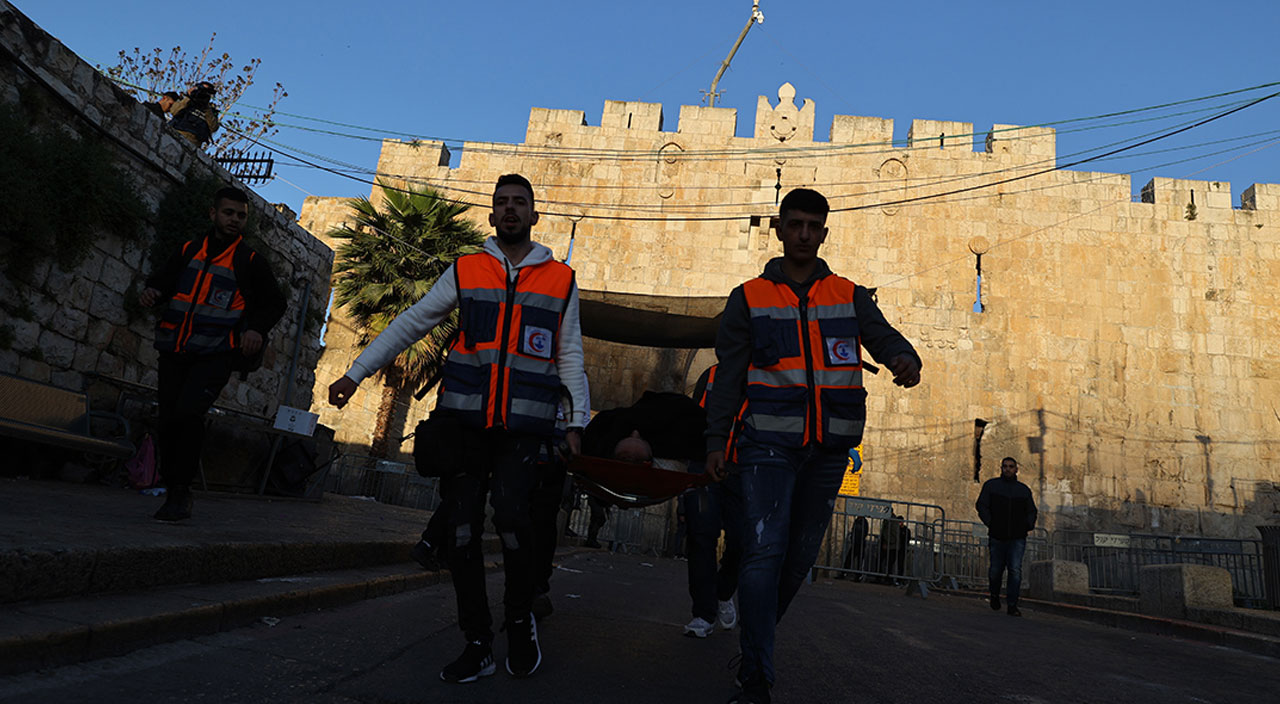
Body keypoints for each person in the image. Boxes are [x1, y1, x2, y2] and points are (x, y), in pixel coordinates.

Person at [328, 174, 589, 683]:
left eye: (520, 202)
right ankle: (477, 641)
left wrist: (576, 420)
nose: (510, 210)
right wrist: (354, 372)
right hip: (465, 423)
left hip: (524, 428)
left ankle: (519, 620)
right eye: (502, 203)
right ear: (491, 216)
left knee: (514, 519)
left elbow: (571, 353)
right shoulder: (467, 270)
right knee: (462, 532)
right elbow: (413, 321)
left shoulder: (561, 279)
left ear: (534, 216)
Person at [703, 187, 921, 704]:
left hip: (829, 450)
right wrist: (716, 440)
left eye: (812, 226)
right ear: (778, 229)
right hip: (767, 448)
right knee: (764, 553)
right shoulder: (749, 297)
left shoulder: (848, 295)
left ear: (824, 233)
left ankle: (757, 637)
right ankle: (757, 674)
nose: (803, 234)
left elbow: (883, 337)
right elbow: (729, 375)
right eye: (794, 224)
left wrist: (903, 357)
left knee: (798, 562)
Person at [138, 186, 286, 521]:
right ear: (213, 214)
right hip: (174, 349)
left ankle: (180, 493)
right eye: (229, 213)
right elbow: (163, 279)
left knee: (189, 415)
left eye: (241, 215)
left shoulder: (249, 261)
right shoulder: (189, 250)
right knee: (169, 418)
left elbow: (275, 302)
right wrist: (153, 291)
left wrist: (256, 329)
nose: (234, 220)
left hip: (215, 354)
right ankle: (171, 483)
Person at [683, 364, 743, 639]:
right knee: (701, 536)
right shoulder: (711, 375)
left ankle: (724, 591)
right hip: (705, 465)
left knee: (742, 541)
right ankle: (703, 613)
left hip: (744, 470)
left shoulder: (767, 374)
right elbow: (694, 419)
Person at [976, 456, 1038, 617]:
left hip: (1017, 537)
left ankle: (1012, 604)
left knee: (1015, 570)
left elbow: (1031, 510)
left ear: (1016, 469)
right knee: (996, 570)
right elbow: (981, 505)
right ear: (1001, 468)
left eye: (1011, 466)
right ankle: (994, 595)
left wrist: (1027, 525)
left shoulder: (1023, 490)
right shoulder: (991, 486)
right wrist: (991, 523)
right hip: (997, 535)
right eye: (1005, 466)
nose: (1008, 469)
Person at [168, 81, 220, 148]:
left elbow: (214, 127)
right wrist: (188, 97)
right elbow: (174, 111)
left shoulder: (209, 111)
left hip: (193, 143)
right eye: (201, 90)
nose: (203, 93)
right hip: (176, 134)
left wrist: (206, 108)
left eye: (206, 92)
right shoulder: (186, 102)